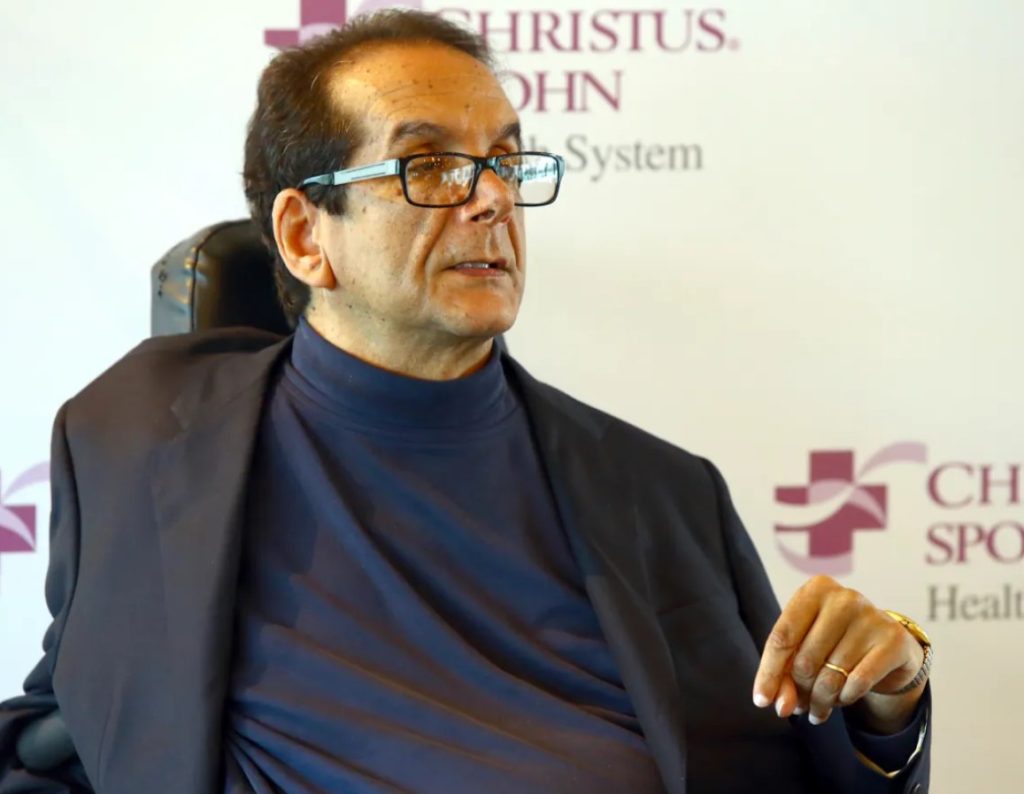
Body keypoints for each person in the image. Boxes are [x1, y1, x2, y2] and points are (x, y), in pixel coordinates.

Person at [0, 9, 931, 794]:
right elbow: (72, 718)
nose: (491, 200)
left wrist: (886, 700)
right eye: (431, 167)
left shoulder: (663, 494)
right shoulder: (138, 434)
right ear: (305, 236)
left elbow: (782, 767)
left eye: (506, 164)